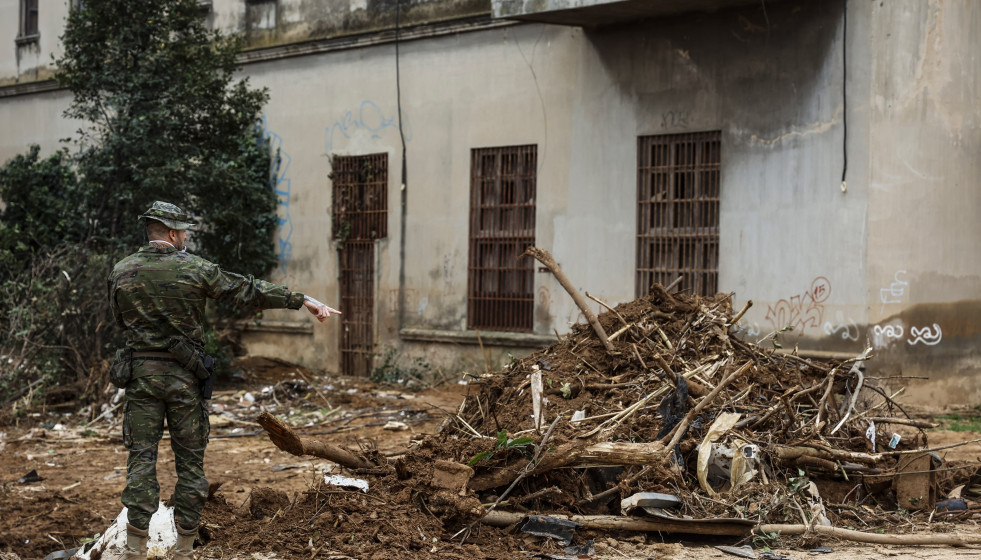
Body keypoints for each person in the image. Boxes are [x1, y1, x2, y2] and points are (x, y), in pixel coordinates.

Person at [107, 201, 339, 560]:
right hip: (185, 381)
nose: (185, 237)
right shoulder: (195, 269)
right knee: (190, 466)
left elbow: (121, 324)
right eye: (183, 231)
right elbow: (246, 290)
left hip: (142, 379)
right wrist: (301, 300)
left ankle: (135, 551)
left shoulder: (122, 271)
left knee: (140, 461)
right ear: (172, 233)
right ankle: (183, 550)